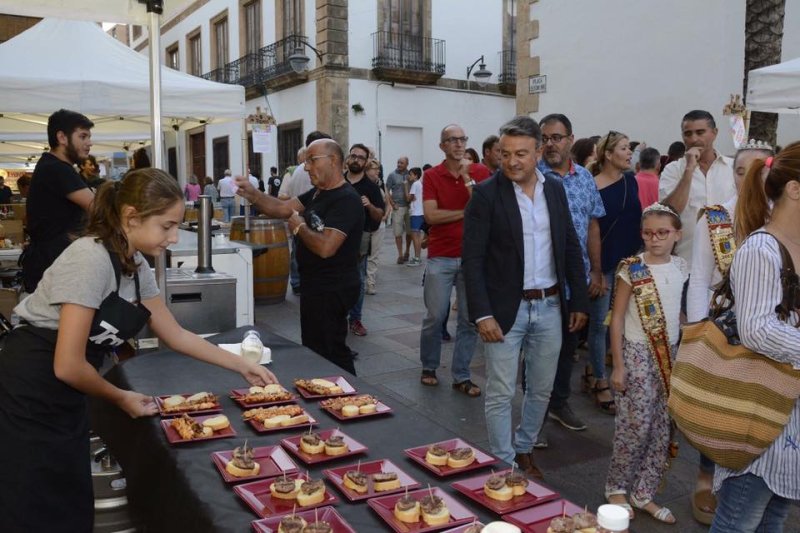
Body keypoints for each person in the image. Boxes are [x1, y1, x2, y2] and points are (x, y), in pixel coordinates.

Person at [0, 168, 276, 532]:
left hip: (65, 394)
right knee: (36, 504)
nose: (174, 238)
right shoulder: (90, 258)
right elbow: (67, 364)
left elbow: (174, 333)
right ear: (131, 216)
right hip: (30, 388)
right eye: (167, 226)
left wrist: (241, 366)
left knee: (69, 498)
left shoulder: (136, 265)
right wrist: (120, 397)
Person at [463, 115, 588, 477]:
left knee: (541, 389)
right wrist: (481, 314)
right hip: (505, 308)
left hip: (550, 306)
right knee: (501, 391)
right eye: (505, 153)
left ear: (538, 152)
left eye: (521, 153)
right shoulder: (486, 195)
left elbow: (568, 246)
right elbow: (471, 259)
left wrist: (578, 299)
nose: (512, 161)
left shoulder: (554, 189)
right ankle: (503, 463)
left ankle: (525, 447)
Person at [709, 142, 800, 532]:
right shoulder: (762, 248)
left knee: (775, 516)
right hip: (759, 411)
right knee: (738, 521)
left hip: (789, 413)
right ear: (794, 189)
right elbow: (757, 328)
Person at [685, 140, 774, 525]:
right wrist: (699, 336)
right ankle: (707, 475)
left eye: (759, 170)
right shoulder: (716, 217)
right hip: (722, 328)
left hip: (771, 331)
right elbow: (701, 278)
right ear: (732, 174)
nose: (750, 178)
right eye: (741, 171)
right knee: (720, 407)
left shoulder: (784, 219)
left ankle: (762, 472)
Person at [234, 139, 364, 374]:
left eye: (312, 161)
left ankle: (350, 396)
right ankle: (322, 391)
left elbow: (326, 248)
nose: (306, 168)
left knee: (331, 350)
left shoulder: (346, 199)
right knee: (315, 348)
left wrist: (299, 227)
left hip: (333, 287)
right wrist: (254, 195)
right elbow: (282, 208)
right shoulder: (318, 193)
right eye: (306, 162)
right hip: (315, 285)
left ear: (333, 161)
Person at [604, 203, 686, 525]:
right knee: (634, 426)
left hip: (669, 356)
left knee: (662, 428)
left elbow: (676, 310)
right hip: (637, 353)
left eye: (663, 233)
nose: (655, 239)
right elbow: (618, 318)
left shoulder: (681, 267)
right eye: (648, 233)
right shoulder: (632, 268)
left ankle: (644, 491)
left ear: (677, 235)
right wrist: (618, 365)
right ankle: (616, 488)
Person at [537, 113, 606, 433]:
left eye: (556, 137)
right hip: (538, 277)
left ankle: (559, 403)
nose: (550, 143)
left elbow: (592, 225)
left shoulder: (585, 179)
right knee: (536, 347)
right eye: (545, 138)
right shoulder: (531, 176)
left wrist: (596, 270)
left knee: (567, 343)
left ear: (569, 140)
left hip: (574, 276)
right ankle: (533, 412)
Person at [419, 124, 490, 396]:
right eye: (452, 140)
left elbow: (484, 211)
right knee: (435, 316)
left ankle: (461, 375)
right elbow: (431, 217)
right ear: (442, 146)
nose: (459, 144)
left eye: (462, 139)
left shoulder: (480, 172)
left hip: (472, 256)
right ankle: (429, 365)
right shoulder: (432, 176)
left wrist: (469, 182)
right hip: (441, 254)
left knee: (470, 320)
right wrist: (466, 211)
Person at [585, 131, 643, 418]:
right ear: (608, 154)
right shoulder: (591, 185)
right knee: (598, 325)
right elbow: (589, 229)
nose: (630, 152)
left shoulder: (630, 182)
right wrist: (596, 271)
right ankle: (598, 379)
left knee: (618, 323)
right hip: (604, 264)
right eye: (624, 148)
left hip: (629, 264)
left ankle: (591, 369)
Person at [21, 109, 95, 294]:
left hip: (53, 263)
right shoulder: (56, 169)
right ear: (62, 137)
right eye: (83, 136)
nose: (89, 143)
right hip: (52, 266)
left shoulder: (55, 166)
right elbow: (97, 206)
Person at [659, 110, 736, 264]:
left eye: (700, 132)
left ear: (714, 133)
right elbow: (668, 213)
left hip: (730, 261)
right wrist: (689, 170)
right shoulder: (673, 170)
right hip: (688, 260)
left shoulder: (733, 168)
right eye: (688, 134)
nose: (694, 139)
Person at [345, 143, 385, 337]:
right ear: (347, 158)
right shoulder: (338, 181)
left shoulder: (370, 187)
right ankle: (337, 315)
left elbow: (380, 215)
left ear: (366, 161)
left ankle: (355, 318)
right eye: (353, 156)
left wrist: (369, 206)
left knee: (358, 279)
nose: (356, 160)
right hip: (336, 235)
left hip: (361, 236)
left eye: (361, 157)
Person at [365, 158, 388, 294]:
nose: (378, 171)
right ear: (367, 170)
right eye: (375, 169)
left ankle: (370, 283)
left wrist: (385, 214)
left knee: (374, 255)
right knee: (362, 255)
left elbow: (387, 202)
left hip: (379, 224)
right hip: (365, 225)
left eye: (378, 169)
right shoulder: (361, 185)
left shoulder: (380, 184)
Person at [386, 157, 412, 264]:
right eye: (398, 162)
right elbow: (386, 190)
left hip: (410, 207)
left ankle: (407, 252)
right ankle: (400, 255)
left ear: (407, 164)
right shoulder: (392, 175)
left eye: (401, 163)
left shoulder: (410, 175)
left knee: (410, 232)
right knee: (398, 233)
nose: (399, 164)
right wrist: (392, 203)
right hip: (398, 208)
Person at [407, 167, 424, 266]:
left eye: (411, 174)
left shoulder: (415, 184)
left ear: (416, 175)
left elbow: (409, 198)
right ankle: (417, 257)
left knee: (415, 237)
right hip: (420, 212)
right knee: (417, 236)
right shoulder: (420, 184)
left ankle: (417, 258)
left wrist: (406, 187)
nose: (409, 176)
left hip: (416, 213)